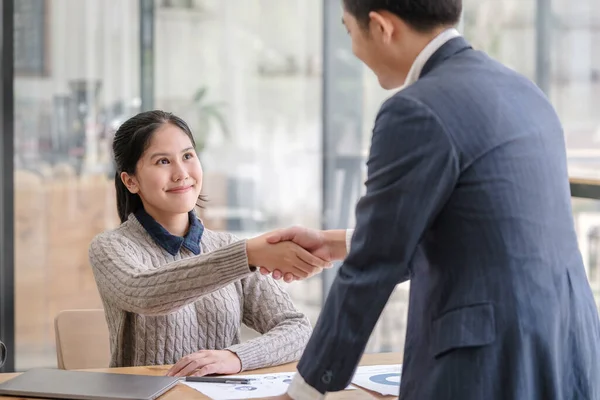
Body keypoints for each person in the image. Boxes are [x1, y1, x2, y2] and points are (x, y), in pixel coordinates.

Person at [267, 1, 600, 399]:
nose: (352, 49)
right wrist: (338, 243)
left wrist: (304, 391)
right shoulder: (523, 90)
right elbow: (485, 231)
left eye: (349, 31)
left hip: (484, 363)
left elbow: (374, 266)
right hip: (566, 346)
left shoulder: (415, 110)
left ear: (381, 26)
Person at [88, 110, 330, 377]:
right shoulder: (110, 247)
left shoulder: (227, 246)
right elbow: (146, 293)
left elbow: (298, 328)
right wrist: (246, 255)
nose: (181, 173)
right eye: (163, 161)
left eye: (188, 156)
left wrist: (236, 357)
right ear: (130, 180)